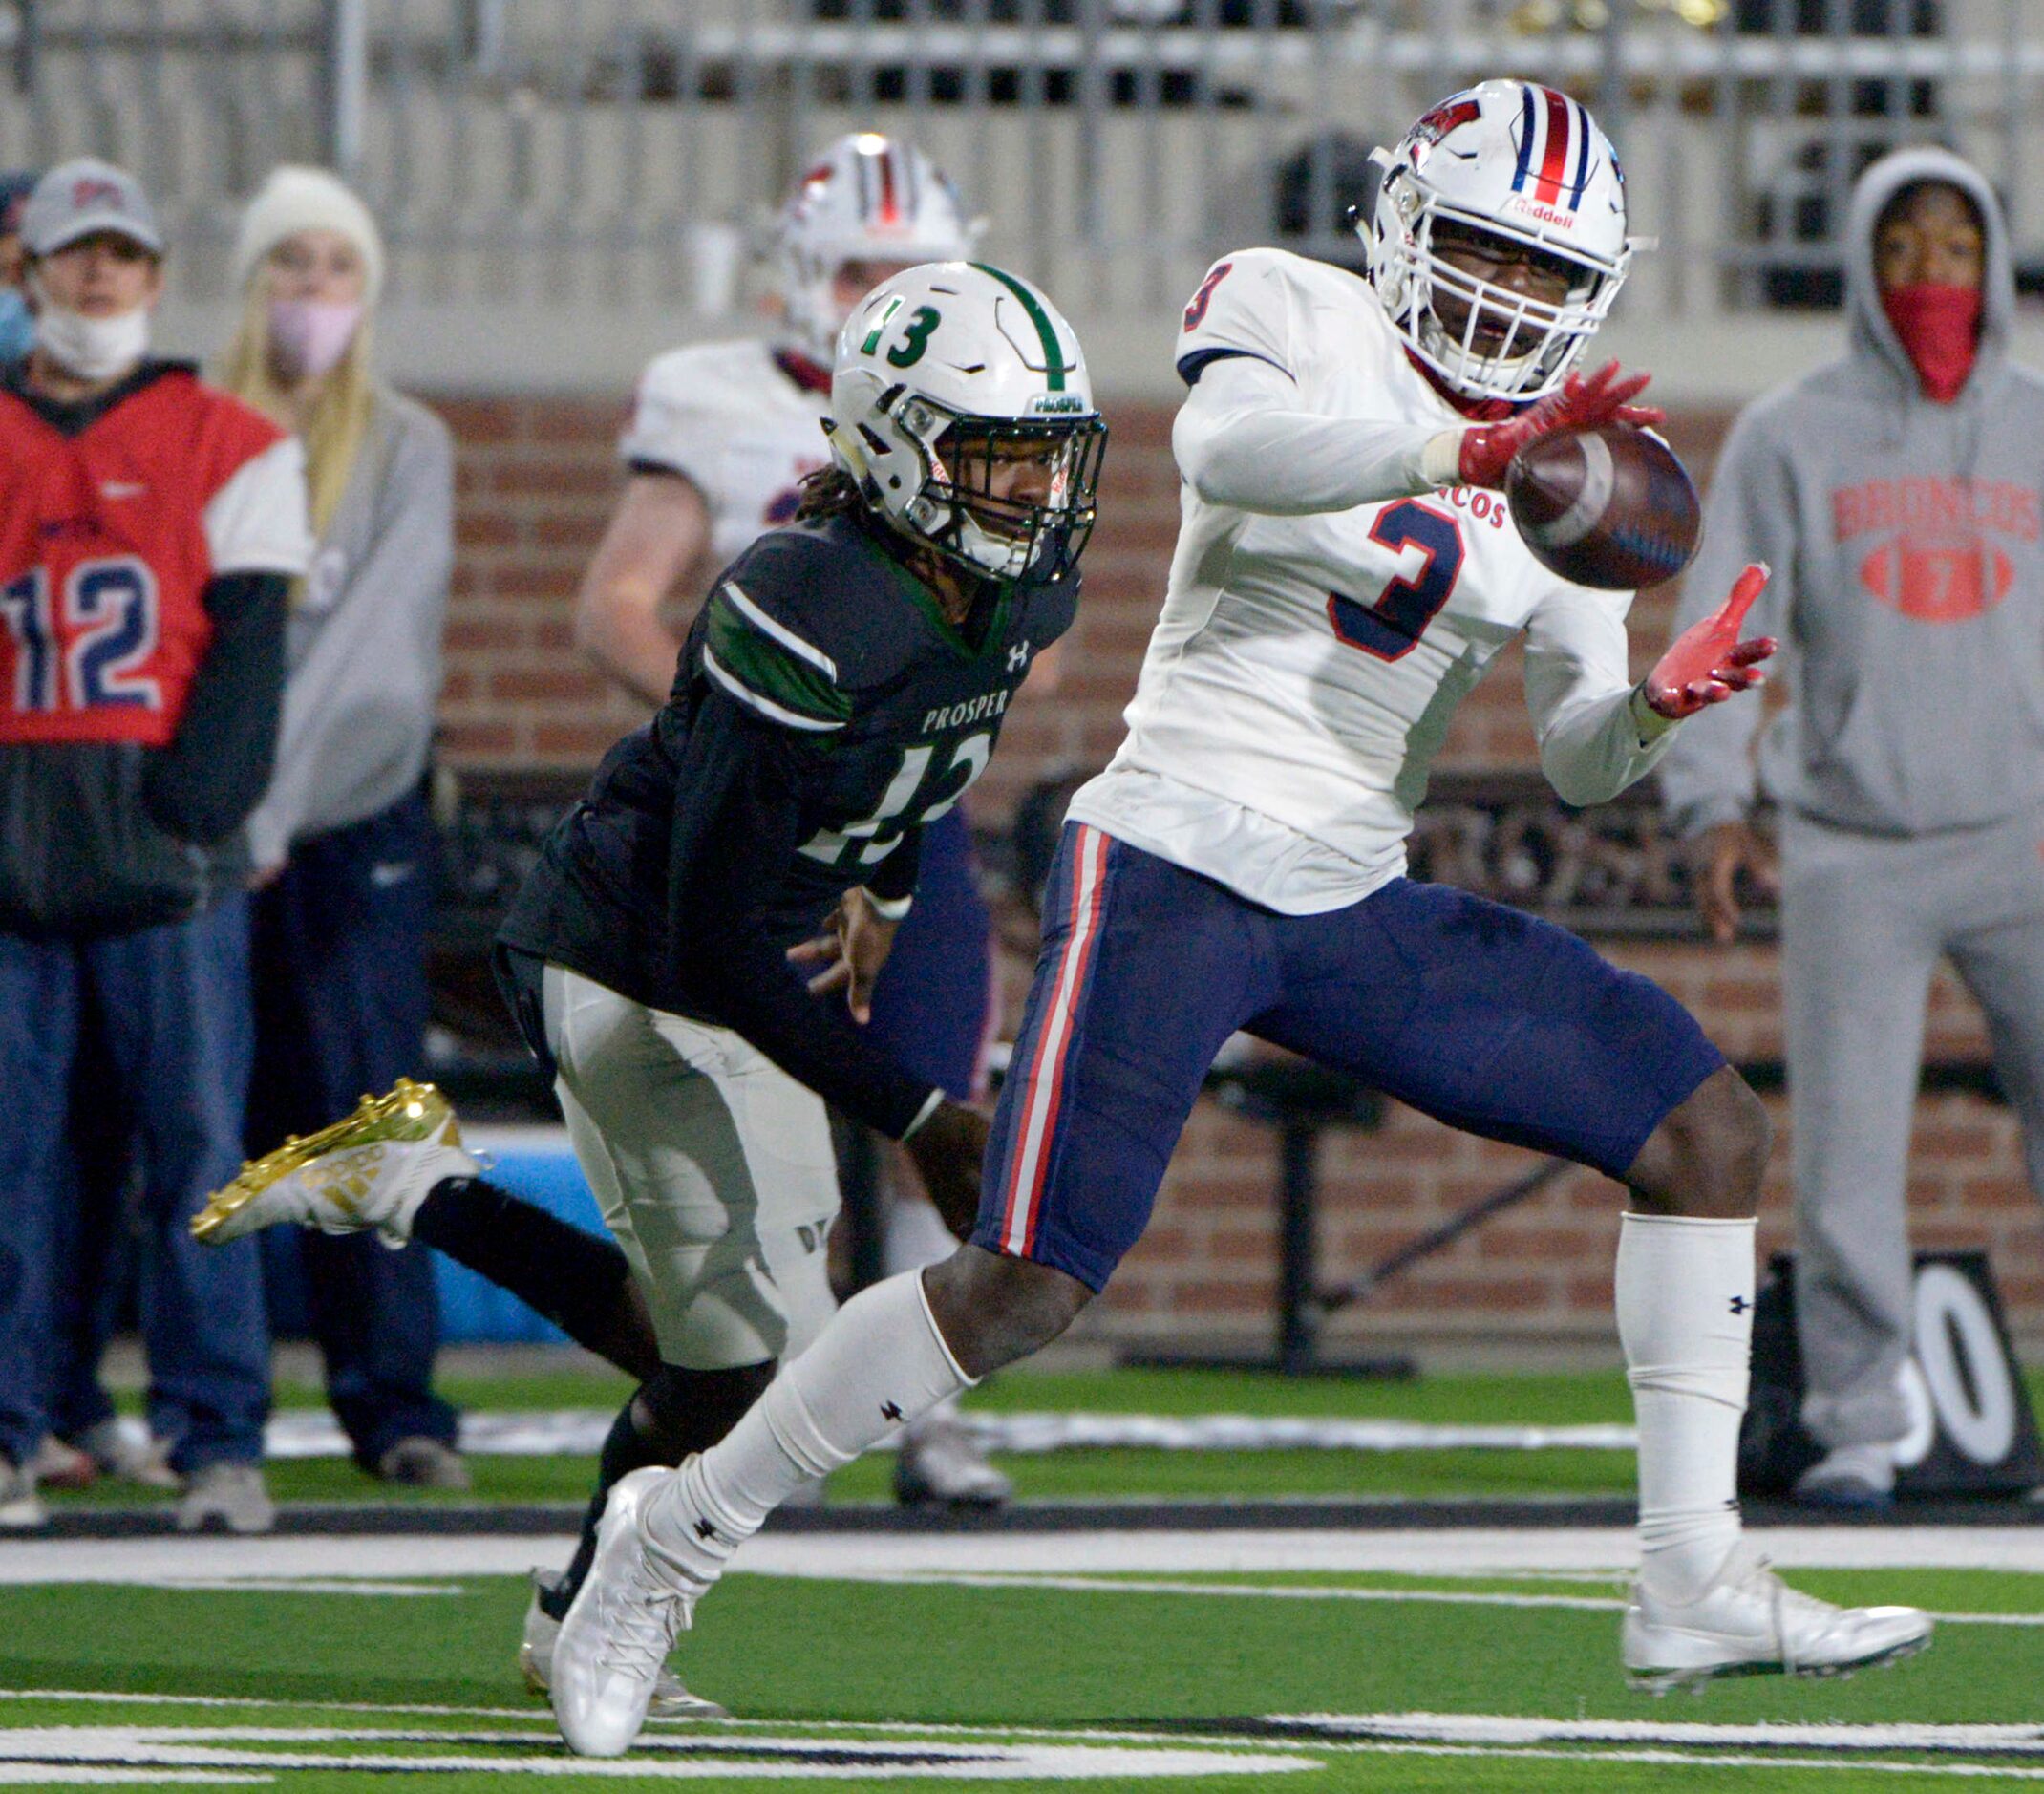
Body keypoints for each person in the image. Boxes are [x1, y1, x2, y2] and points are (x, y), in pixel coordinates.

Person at [500, 80, 1930, 1758]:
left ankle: (1689, 1571)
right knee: (1021, 1287)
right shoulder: (1299, 311)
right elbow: (1226, 455)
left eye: (1548, 278)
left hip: (1348, 890)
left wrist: (1660, 710)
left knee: (1700, 1131)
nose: (1508, 304)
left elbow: (1576, 750)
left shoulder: (1568, 471)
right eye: (1481, 251)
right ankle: (668, 1542)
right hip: (1176, 854)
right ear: (1402, 222)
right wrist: (1458, 447)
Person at [194, 260, 1104, 1714]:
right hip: (631, 955)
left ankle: (418, 1189)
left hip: (742, 959)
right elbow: (711, 946)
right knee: (763, 1359)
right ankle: (576, 1611)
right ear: (893, 442)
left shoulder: (1005, 590)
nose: (1032, 491)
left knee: (738, 1348)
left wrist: (885, 885)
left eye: (1046, 454)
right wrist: (922, 1111)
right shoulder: (809, 605)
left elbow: (933, 755)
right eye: (997, 455)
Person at [575, 131, 1013, 1508]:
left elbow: (1028, 641)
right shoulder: (710, 399)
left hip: (903, 823)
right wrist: (752, 728)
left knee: (935, 1102)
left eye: (902, 268)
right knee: (766, 1134)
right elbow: (616, 605)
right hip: (758, 830)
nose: (874, 293)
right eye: (855, 268)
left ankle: (921, 1409)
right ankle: (780, 1411)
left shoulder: (988, 397)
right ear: (794, 273)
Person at [1659, 147, 2044, 1507]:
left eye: (1954, 250)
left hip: (2026, 841)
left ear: (1991, 265)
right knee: (1847, 1151)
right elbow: (1729, 626)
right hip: (1851, 847)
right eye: (1903, 249)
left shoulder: (2040, 422)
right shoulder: (1790, 430)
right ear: (1864, 270)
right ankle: (1863, 1420)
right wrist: (1714, 802)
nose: (1929, 274)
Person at [0, 158, 311, 1532]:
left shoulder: (229, 440)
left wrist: (196, 807)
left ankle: (218, 1432)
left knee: (196, 1154)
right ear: (32, 270)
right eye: (77, 254)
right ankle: (13, 1428)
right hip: (13, 840)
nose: (100, 276)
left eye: (122, 253)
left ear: (155, 273)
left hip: (161, 849)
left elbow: (248, 653)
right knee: (11, 1154)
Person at [208, 165, 466, 1488]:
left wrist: (272, 800)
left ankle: (395, 1403)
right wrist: (221, 804)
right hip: (205, 829)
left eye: (337, 268)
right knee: (193, 1118)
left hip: (348, 826)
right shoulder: (197, 434)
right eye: (289, 265)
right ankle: (199, 1406)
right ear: (252, 283)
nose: (313, 292)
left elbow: (378, 659)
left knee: (364, 1116)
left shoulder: (410, 446)